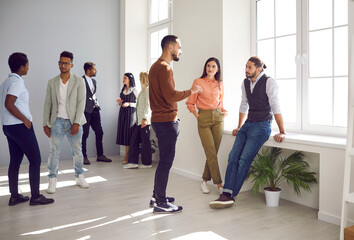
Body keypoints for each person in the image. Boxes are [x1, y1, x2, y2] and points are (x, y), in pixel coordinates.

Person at [209, 56, 286, 209]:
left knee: (244, 159)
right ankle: (227, 192)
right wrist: (239, 126)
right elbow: (243, 104)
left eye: (249, 67)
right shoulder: (245, 82)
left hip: (262, 125)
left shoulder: (269, 82)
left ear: (258, 69)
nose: (246, 70)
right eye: (246, 66)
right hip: (248, 124)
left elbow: (275, 106)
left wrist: (282, 131)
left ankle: (229, 195)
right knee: (233, 157)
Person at [148, 35, 202, 214]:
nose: (181, 50)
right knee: (165, 162)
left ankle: (157, 195)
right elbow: (171, 96)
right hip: (166, 122)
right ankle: (161, 202)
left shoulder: (155, 66)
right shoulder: (165, 68)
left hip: (159, 120)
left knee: (164, 161)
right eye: (179, 46)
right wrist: (191, 91)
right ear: (170, 48)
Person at [0, 52, 54, 206]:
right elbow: (9, 103)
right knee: (35, 159)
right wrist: (25, 119)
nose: (29, 67)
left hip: (8, 127)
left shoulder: (5, 82)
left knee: (15, 161)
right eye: (27, 65)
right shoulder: (17, 83)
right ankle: (35, 196)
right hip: (19, 127)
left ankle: (14, 196)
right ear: (22, 67)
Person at [43, 51, 89, 194]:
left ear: (71, 65)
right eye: (61, 62)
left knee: (77, 151)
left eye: (66, 63)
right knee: (53, 152)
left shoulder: (79, 81)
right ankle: (52, 179)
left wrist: (76, 123)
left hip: (74, 122)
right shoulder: (52, 82)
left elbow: (81, 103)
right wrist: (45, 123)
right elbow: (47, 104)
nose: (63, 65)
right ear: (58, 63)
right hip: (56, 121)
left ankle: (79, 175)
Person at [186, 57, 227, 195]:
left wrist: (223, 111)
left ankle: (204, 181)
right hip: (203, 118)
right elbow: (190, 103)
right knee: (211, 152)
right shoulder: (198, 82)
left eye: (213, 66)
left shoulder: (220, 84)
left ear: (218, 69)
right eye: (208, 66)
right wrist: (198, 116)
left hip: (218, 119)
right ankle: (219, 185)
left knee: (212, 153)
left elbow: (220, 102)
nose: (210, 68)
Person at [81, 62, 112, 165]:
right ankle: (83, 156)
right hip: (85, 111)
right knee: (84, 134)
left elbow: (93, 95)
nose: (96, 70)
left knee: (99, 132)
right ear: (88, 70)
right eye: (94, 69)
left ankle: (100, 155)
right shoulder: (80, 81)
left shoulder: (94, 81)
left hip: (95, 109)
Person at [124, 72, 152, 169]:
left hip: (144, 121)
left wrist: (145, 118)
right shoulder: (143, 91)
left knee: (145, 142)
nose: (139, 79)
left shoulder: (148, 90)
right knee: (134, 140)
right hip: (139, 121)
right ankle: (133, 162)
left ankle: (147, 163)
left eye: (140, 78)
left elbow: (148, 105)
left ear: (144, 79)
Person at [116, 73, 138, 164]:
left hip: (131, 114)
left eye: (125, 78)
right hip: (122, 114)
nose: (123, 79)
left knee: (129, 134)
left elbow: (138, 103)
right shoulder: (123, 90)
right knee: (124, 134)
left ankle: (127, 157)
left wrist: (129, 104)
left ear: (130, 79)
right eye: (123, 78)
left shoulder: (135, 90)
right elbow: (119, 103)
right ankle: (127, 157)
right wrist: (119, 102)